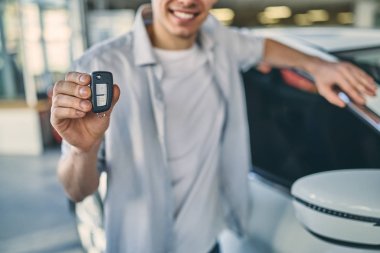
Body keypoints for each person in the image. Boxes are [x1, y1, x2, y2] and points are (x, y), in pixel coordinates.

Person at [50, 1, 377, 253]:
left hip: (208, 243)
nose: (188, 1)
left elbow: (262, 46)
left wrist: (318, 65)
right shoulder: (99, 66)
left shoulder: (221, 43)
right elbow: (76, 190)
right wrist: (83, 149)